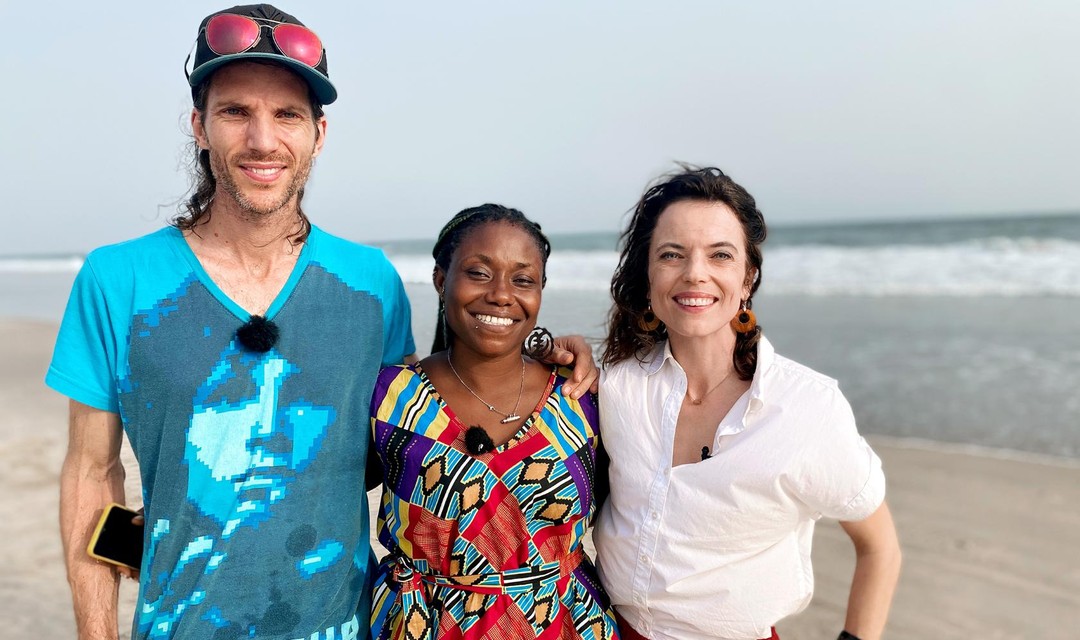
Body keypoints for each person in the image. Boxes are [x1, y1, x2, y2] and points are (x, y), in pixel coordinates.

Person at [45, 6, 596, 639]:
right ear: (198, 125)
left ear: (318, 134)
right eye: (235, 112)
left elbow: (415, 434)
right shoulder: (118, 281)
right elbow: (91, 473)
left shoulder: (371, 284)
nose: (262, 140)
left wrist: (542, 360)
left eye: (287, 115)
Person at [593, 166, 901, 640]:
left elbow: (880, 547)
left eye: (720, 255)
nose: (695, 273)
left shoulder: (806, 409)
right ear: (649, 276)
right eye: (671, 254)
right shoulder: (617, 383)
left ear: (747, 278)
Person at [367, 204, 619, 639]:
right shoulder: (387, 399)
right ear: (441, 280)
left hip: (566, 626)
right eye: (479, 273)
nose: (502, 294)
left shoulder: (583, 399)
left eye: (523, 280)